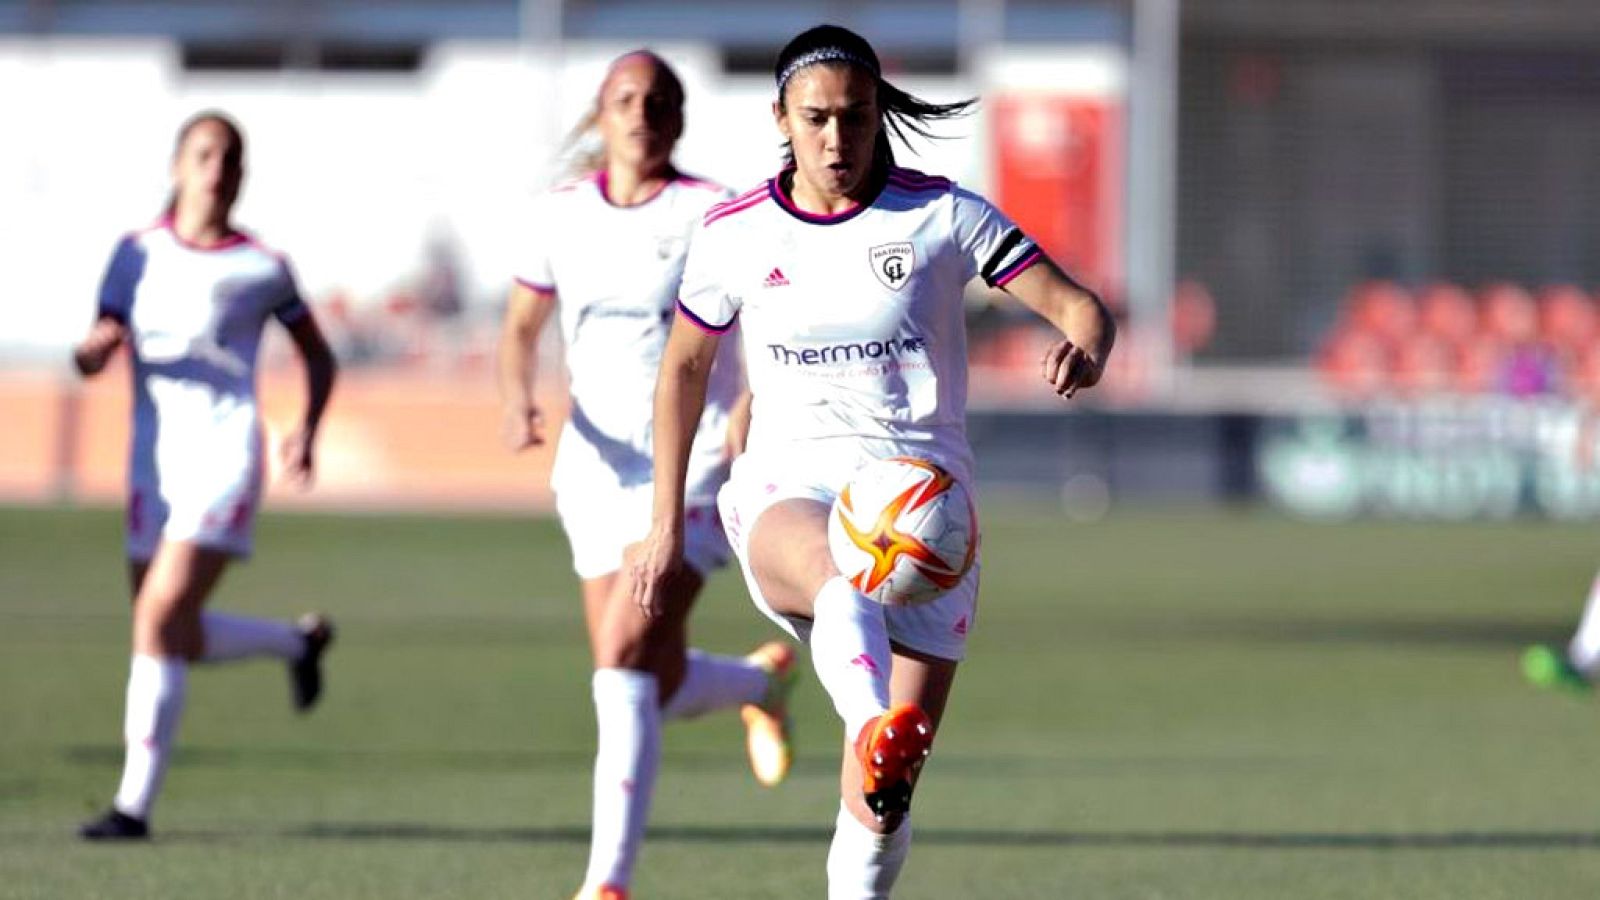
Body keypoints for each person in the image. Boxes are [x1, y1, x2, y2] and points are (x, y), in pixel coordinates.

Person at [627, 25, 1115, 898]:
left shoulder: (942, 215)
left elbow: (1081, 307)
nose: (836, 139)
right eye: (815, 119)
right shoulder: (735, 232)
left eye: (855, 118)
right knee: (841, 569)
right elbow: (683, 373)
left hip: (933, 516)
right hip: (788, 484)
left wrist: (1085, 344)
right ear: (780, 115)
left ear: (877, 115)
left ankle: (875, 765)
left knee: (882, 809)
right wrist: (665, 526)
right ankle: (869, 718)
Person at [495, 50, 798, 900]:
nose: (643, 112)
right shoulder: (560, 214)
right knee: (643, 677)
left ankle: (607, 884)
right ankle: (756, 683)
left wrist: (748, 410)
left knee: (625, 656)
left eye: (660, 99)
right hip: (593, 465)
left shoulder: (712, 211)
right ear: (602, 112)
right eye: (626, 98)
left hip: (695, 460)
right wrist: (518, 400)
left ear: (680, 116)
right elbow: (521, 328)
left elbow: (763, 314)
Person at [74, 111, 339, 841]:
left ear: (242, 174)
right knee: (171, 632)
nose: (215, 167)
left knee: (158, 619)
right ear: (176, 166)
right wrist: (93, 351)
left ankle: (132, 808)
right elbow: (103, 334)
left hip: (226, 457)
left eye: (229, 156)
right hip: (152, 461)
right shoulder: (135, 255)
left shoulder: (261, 266)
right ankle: (298, 645)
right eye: (202, 153)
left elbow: (319, 355)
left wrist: (306, 431)